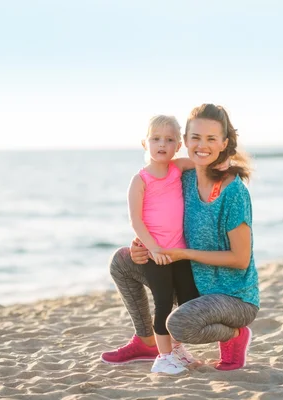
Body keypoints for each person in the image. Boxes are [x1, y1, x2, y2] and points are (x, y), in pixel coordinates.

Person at [101, 104, 259, 371]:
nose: (202, 145)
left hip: (232, 297)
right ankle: (146, 342)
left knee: (177, 323)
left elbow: (241, 259)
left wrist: (183, 254)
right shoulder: (182, 178)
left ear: (224, 143)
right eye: (196, 137)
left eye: (211, 139)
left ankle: (236, 336)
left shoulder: (233, 192)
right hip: (193, 279)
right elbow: (157, 217)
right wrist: (142, 245)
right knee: (121, 261)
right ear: (184, 142)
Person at [107, 115, 200, 374]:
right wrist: (153, 248)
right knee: (162, 302)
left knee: (187, 300)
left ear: (178, 145)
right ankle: (163, 357)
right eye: (156, 139)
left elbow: (203, 160)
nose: (162, 144)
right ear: (144, 143)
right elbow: (135, 220)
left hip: (178, 252)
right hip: (154, 253)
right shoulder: (141, 180)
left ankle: (177, 348)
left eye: (169, 140)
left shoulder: (177, 168)